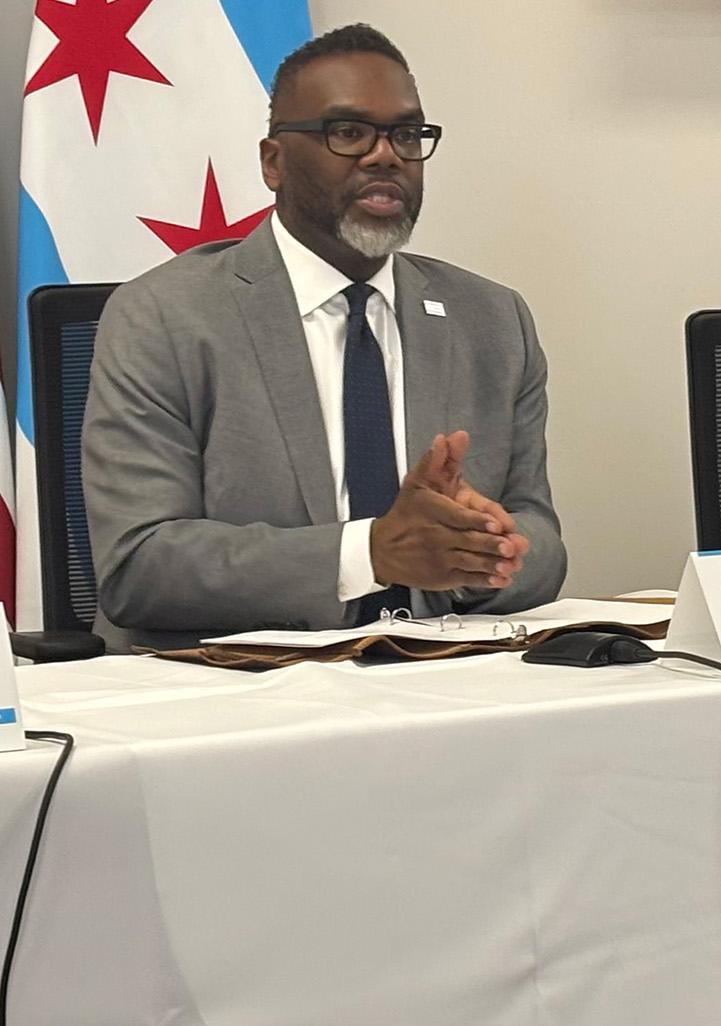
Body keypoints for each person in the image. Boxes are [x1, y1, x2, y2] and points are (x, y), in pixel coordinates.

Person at [83, 24, 565, 651]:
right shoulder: (164, 315)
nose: (385, 155)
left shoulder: (494, 320)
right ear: (273, 162)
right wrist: (372, 554)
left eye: (406, 134)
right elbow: (139, 566)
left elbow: (545, 544)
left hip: (444, 680)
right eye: (348, 133)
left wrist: (479, 550)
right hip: (235, 695)